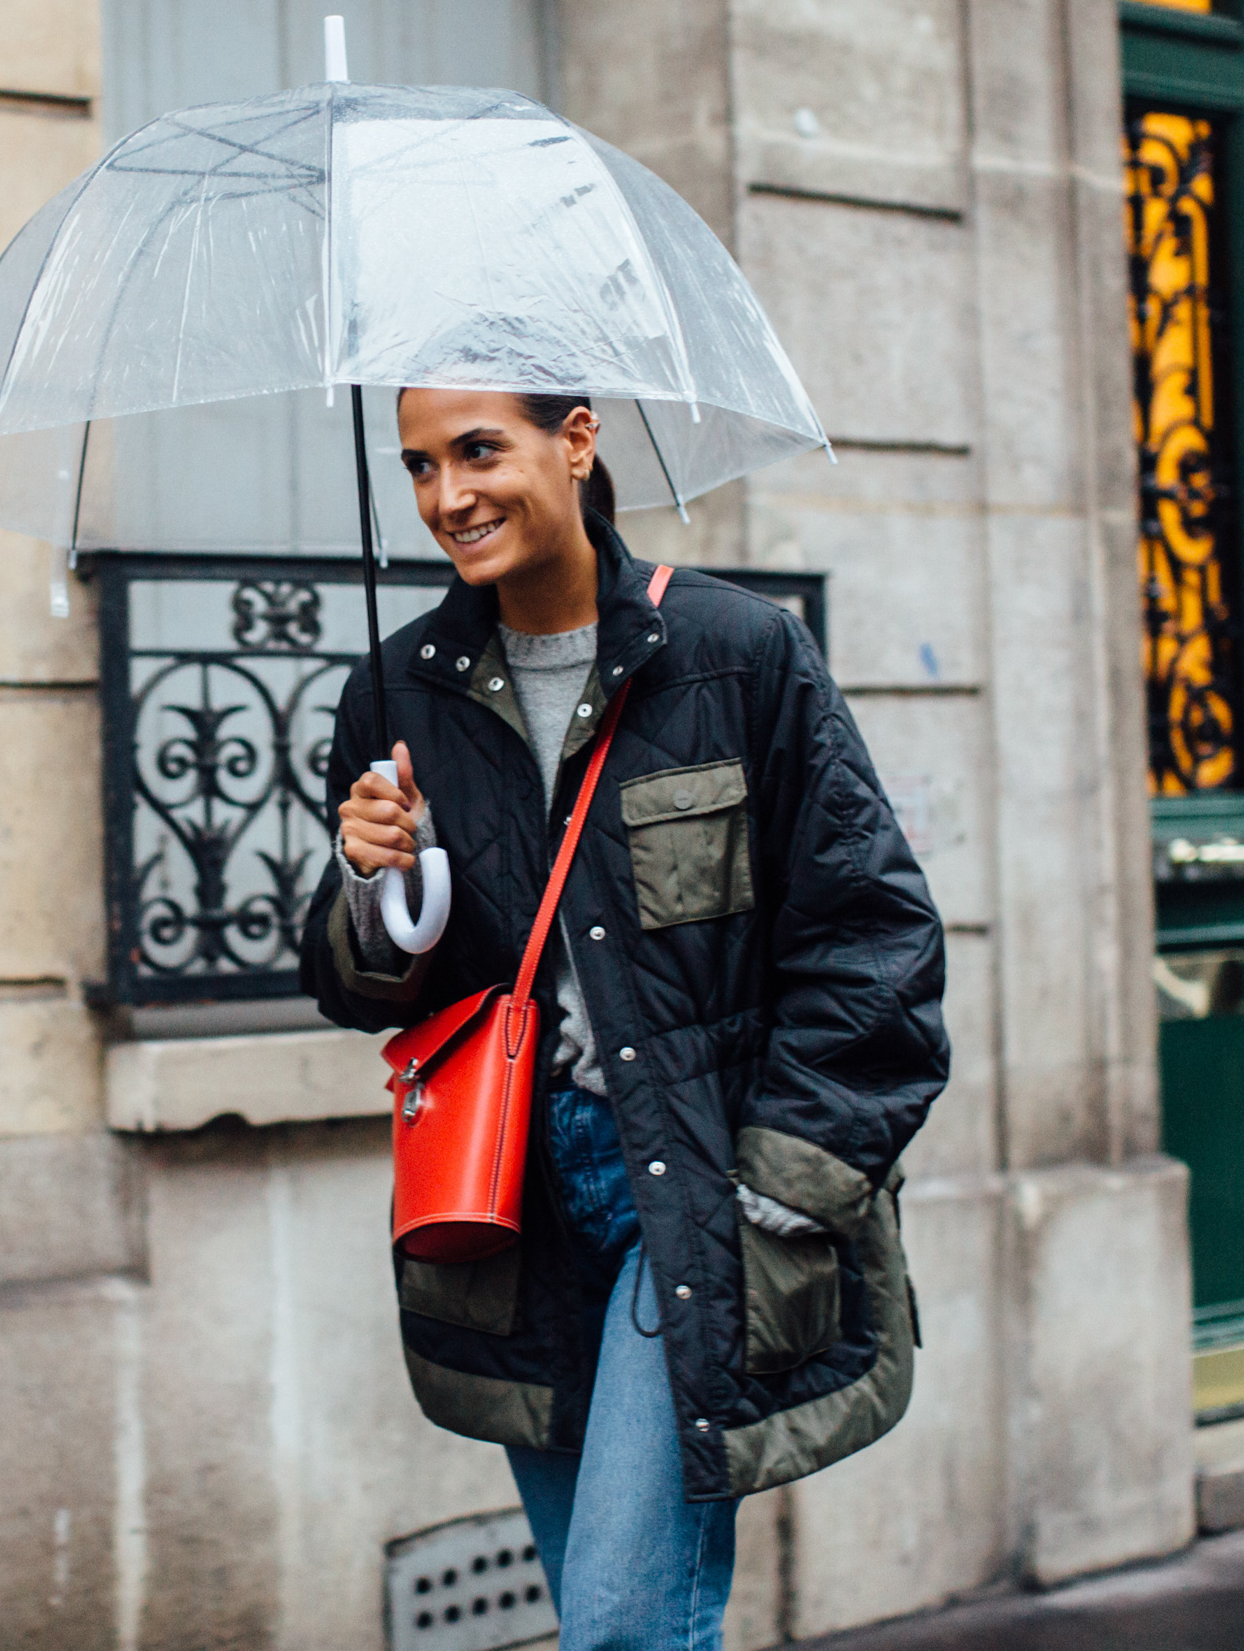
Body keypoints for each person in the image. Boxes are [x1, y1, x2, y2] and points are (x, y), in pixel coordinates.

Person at [299, 389, 949, 1651]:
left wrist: (783, 1188)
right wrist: (380, 889)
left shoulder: (735, 653)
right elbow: (357, 987)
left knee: (624, 1628)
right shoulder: (395, 691)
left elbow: (875, 939)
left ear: (578, 440)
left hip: (695, 1197)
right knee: (609, 1613)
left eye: (480, 450)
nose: (448, 497)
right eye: (421, 465)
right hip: (511, 1219)